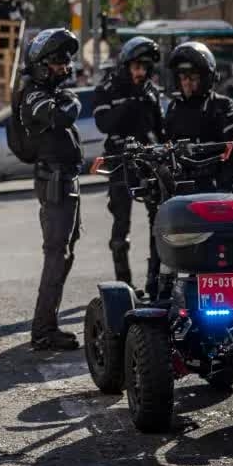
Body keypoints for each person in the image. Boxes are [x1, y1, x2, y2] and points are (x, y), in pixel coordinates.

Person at [19, 28, 84, 351]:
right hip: (54, 181)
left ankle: (48, 323)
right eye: (58, 61)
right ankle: (43, 330)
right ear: (42, 65)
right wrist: (71, 101)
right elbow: (62, 116)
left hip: (67, 178)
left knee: (66, 252)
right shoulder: (33, 94)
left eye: (66, 61)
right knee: (57, 255)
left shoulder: (53, 91)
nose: (64, 67)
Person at [92, 36, 164, 289]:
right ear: (126, 65)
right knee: (121, 228)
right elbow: (103, 124)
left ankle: (155, 282)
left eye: (145, 67)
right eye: (136, 66)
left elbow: (160, 129)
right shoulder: (107, 89)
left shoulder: (151, 91)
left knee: (159, 223)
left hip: (149, 163)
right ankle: (125, 286)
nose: (140, 72)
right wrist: (130, 103)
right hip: (120, 162)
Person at [164, 42, 233, 194]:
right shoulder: (174, 107)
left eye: (193, 77)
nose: (187, 82)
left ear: (206, 78)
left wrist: (225, 185)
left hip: (214, 187)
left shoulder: (222, 105)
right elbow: (167, 145)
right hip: (181, 186)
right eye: (183, 77)